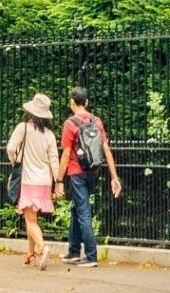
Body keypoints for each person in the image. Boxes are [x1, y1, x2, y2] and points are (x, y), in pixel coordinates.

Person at [57, 86, 122, 266]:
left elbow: (65, 154)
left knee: (83, 212)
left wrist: (59, 180)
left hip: (76, 173)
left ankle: (91, 256)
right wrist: (114, 177)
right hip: (93, 171)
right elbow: (106, 150)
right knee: (76, 210)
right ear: (86, 102)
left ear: (72, 103)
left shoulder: (70, 124)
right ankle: (74, 251)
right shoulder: (97, 121)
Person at [7, 92, 62, 268]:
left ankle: (42, 248)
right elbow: (55, 160)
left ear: (31, 112)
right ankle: (30, 252)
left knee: (30, 220)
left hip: (28, 180)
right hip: (45, 181)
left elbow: (10, 148)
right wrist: (58, 183)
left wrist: (15, 160)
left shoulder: (23, 128)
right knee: (32, 218)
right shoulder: (50, 135)